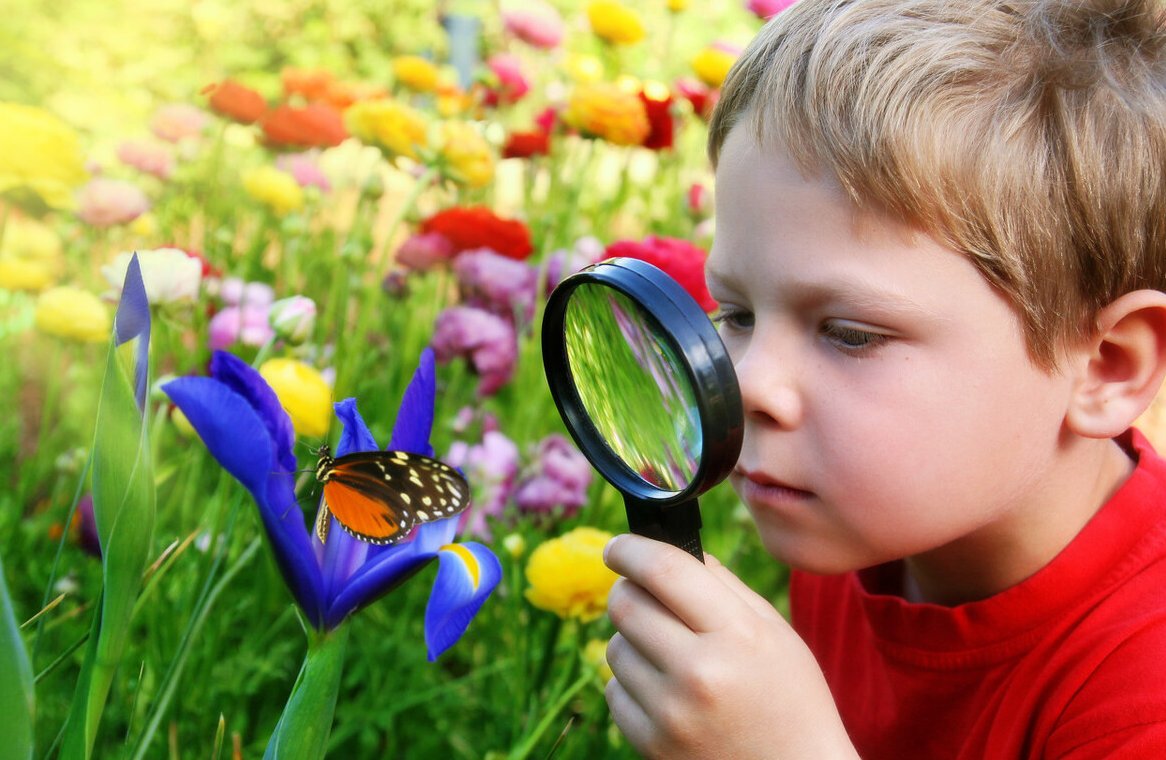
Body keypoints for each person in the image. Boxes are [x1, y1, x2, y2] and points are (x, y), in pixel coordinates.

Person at [601, 0, 1166, 756]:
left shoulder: (1142, 697)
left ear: (1105, 368)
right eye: (736, 314)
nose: (752, 384)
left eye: (851, 334)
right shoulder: (854, 529)